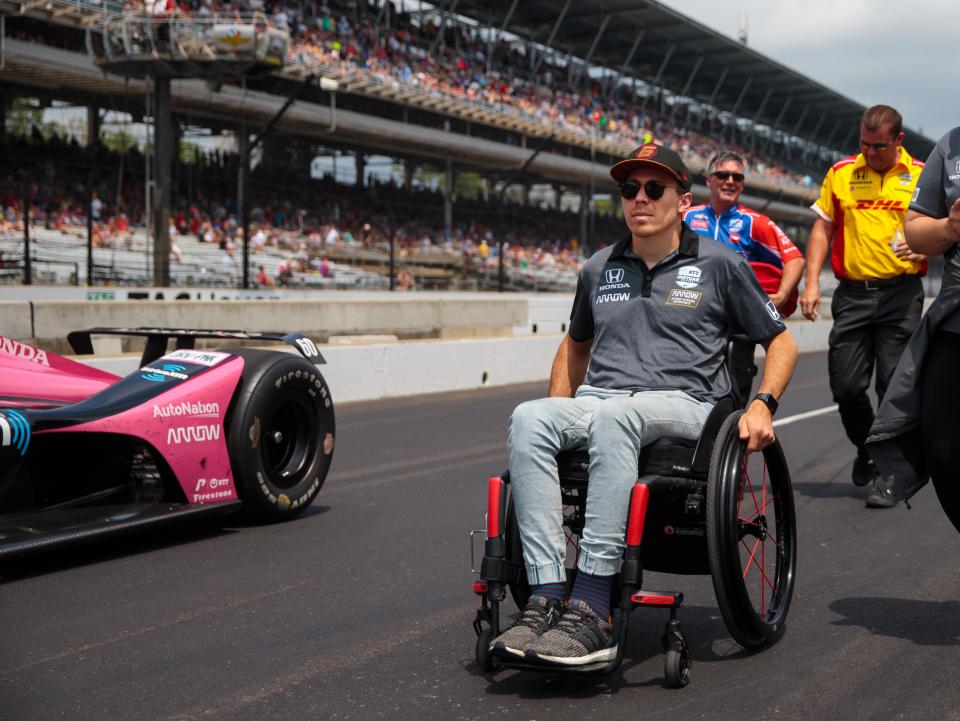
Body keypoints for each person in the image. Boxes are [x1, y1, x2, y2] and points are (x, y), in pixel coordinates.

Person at [490, 144, 798, 666]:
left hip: (686, 403)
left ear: (682, 201)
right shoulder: (598, 268)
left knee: (617, 416)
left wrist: (763, 404)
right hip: (601, 398)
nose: (640, 198)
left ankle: (591, 601)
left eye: (654, 189)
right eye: (630, 188)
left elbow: (781, 341)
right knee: (529, 418)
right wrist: (558, 409)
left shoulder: (721, 264)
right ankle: (545, 594)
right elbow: (575, 345)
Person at [799, 105, 927, 507]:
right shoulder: (841, 173)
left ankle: (890, 474)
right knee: (847, 386)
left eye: (879, 147)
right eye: (864, 145)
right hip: (852, 294)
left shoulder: (922, 175)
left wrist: (923, 239)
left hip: (901, 294)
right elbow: (823, 228)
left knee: (892, 387)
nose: (870, 154)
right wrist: (811, 282)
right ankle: (868, 448)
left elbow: (947, 227)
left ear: (898, 141)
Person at [866, 126, 960, 527]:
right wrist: (950, 229)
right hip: (954, 324)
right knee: (941, 449)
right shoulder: (952, 145)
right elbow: (915, 229)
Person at [684, 150, 805, 404]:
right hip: (691, 317)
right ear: (709, 180)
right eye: (723, 175)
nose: (730, 181)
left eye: (737, 177)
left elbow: (795, 258)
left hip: (736, 324)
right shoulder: (686, 217)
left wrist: (781, 295)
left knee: (733, 397)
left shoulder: (755, 222)